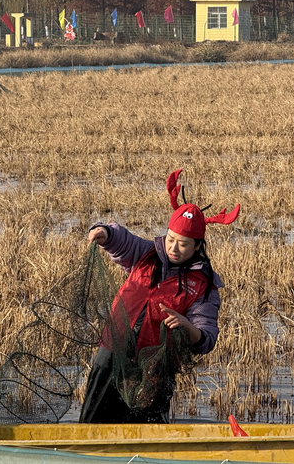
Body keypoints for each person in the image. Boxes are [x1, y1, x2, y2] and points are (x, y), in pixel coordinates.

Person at [79, 169, 239, 424]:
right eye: (171, 239)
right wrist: (103, 233)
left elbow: (207, 338)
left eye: (183, 244)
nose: (174, 248)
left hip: (153, 369)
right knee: (94, 422)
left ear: (198, 245)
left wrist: (187, 326)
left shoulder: (204, 286)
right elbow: (122, 240)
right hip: (113, 352)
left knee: (144, 425)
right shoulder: (147, 253)